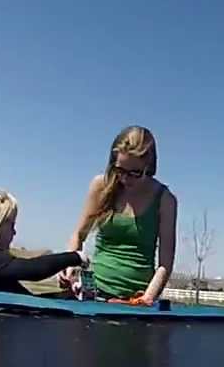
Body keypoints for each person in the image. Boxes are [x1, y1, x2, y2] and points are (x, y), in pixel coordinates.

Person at [62, 126, 178, 305]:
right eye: (120, 171)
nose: (126, 179)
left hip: (136, 298)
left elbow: (165, 265)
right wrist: (68, 265)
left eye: (135, 173)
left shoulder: (165, 200)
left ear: (150, 167)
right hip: (95, 293)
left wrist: (146, 299)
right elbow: (78, 234)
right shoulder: (101, 185)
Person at [0, 185, 86, 295]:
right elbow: (34, 269)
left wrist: (68, 295)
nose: (14, 232)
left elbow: (27, 299)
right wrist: (75, 257)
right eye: (11, 225)